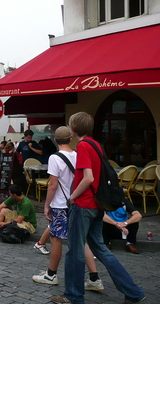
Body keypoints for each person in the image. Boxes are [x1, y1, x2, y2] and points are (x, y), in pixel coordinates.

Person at [51, 112, 145, 304]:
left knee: (75, 252)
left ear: (74, 128)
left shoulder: (84, 146)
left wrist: (72, 196)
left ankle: (73, 295)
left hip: (83, 204)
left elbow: (88, 178)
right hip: (96, 204)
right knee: (101, 249)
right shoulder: (96, 145)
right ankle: (133, 292)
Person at [31, 126, 104, 290]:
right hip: (76, 202)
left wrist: (46, 205)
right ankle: (94, 277)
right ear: (71, 139)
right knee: (80, 239)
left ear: (55, 140)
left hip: (60, 203)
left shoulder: (54, 158)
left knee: (56, 238)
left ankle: (51, 274)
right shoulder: (78, 155)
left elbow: (52, 184)